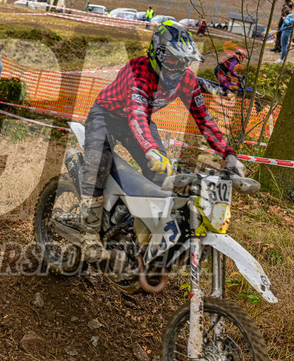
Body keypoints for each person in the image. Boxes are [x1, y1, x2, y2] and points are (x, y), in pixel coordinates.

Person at [80, 21, 245, 264]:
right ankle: (89, 235)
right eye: (172, 59)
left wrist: (228, 154)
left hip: (141, 121)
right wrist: (150, 149)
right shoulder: (138, 70)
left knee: (161, 174)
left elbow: (204, 119)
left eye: (183, 61)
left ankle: (136, 231)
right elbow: (136, 113)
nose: (177, 66)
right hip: (106, 115)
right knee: (98, 164)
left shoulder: (186, 80)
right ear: (157, 54)